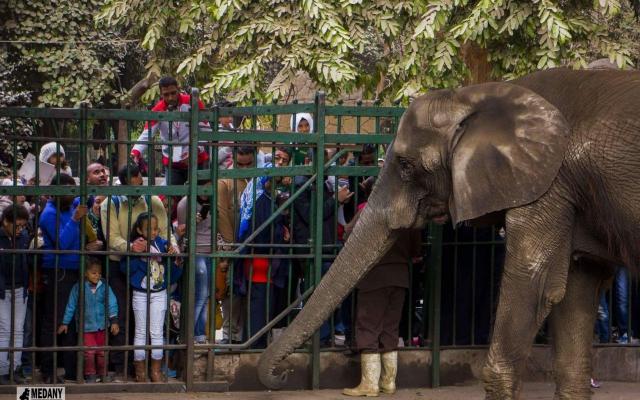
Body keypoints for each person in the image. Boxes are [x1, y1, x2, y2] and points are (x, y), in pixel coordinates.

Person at [100, 164, 174, 379]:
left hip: (152, 267)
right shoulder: (110, 204)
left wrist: (172, 246)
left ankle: (153, 367)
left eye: (140, 184)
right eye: (133, 187)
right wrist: (132, 247)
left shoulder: (153, 200)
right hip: (121, 264)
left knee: (152, 323)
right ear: (122, 185)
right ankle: (124, 367)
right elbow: (112, 237)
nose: (138, 190)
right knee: (121, 316)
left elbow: (166, 231)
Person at [342, 207, 422, 397]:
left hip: (374, 277)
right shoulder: (408, 214)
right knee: (390, 328)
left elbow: (348, 236)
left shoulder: (370, 211)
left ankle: (369, 384)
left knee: (368, 326)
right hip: (400, 277)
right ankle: (388, 382)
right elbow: (416, 249)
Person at [38, 173, 100, 383]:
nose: (72, 196)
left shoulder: (69, 202)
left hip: (75, 270)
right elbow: (62, 245)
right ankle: (48, 371)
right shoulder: (48, 214)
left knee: (73, 320)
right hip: (59, 271)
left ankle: (73, 369)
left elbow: (88, 198)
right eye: (68, 192)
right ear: (56, 194)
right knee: (54, 320)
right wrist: (75, 220)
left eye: (73, 191)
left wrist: (89, 187)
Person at [234, 149, 292, 348]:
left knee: (259, 305)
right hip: (261, 259)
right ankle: (254, 346)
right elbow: (262, 231)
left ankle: (254, 343)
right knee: (259, 307)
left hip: (259, 260)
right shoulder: (262, 201)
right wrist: (280, 234)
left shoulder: (263, 198)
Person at [122, 212, 182, 382]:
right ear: (140, 230)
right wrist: (135, 253)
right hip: (140, 293)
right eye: (149, 229)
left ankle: (155, 371)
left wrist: (174, 258)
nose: (154, 232)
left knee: (156, 332)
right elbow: (125, 269)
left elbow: (175, 274)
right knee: (140, 331)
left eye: (156, 229)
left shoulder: (164, 245)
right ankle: (140, 371)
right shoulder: (136, 245)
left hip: (159, 294)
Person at [130, 76, 210, 185]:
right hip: (172, 163)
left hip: (196, 160)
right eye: (166, 95)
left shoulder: (193, 103)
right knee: (172, 197)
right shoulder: (157, 110)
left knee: (199, 195)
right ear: (161, 94)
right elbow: (147, 133)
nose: (171, 97)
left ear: (178, 89)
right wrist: (136, 152)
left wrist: (196, 150)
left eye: (173, 93)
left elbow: (206, 130)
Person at [57, 258, 119, 383]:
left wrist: (114, 321)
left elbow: (112, 303)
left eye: (99, 273)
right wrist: (65, 322)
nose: (97, 276)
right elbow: (71, 305)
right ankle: (90, 374)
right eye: (93, 273)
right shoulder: (78, 287)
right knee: (88, 352)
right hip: (86, 327)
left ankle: (103, 373)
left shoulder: (104, 286)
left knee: (103, 352)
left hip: (102, 326)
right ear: (85, 273)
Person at [218, 147, 255, 344]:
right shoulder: (225, 181)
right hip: (233, 245)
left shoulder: (259, 179)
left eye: (249, 164)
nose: (244, 168)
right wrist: (232, 247)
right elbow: (221, 215)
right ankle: (229, 335)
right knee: (232, 292)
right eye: (240, 165)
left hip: (255, 245)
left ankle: (248, 334)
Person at [176, 179, 214, 345]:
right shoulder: (186, 203)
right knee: (200, 294)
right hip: (195, 250)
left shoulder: (215, 199)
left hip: (210, 250)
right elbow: (181, 231)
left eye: (209, 187)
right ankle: (187, 333)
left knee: (206, 296)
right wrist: (194, 222)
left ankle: (199, 335)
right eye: (202, 187)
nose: (206, 191)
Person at [0, 204, 30, 384]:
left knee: (18, 330)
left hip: (20, 288)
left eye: (23, 226)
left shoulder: (23, 237)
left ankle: (15, 368)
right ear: (5, 222)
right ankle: (2, 370)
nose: (20, 229)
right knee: (4, 329)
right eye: (16, 225)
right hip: (2, 290)